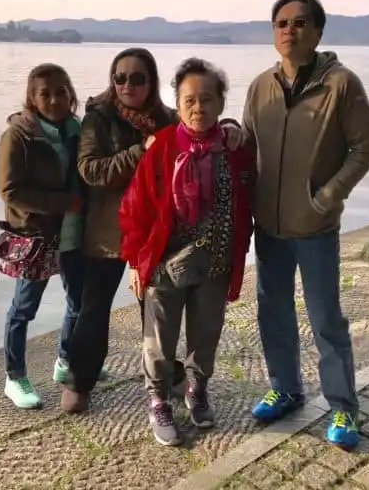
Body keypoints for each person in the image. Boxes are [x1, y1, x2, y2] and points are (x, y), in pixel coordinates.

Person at [60, 48, 243, 412]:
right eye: (120, 77)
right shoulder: (99, 118)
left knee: (160, 315)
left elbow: (198, 123)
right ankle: (80, 381)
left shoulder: (165, 117)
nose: (127, 85)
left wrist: (231, 127)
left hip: (155, 238)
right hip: (108, 235)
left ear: (152, 82)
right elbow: (91, 170)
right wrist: (139, 151)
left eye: (138, 78)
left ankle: (169, 377)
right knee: (94, 310)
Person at [243, 0, 369, 449]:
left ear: (318, 32)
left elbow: (365, 147)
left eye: (300, 22)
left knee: (325, 319)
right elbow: (247, 148)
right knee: (273, 311)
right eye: (281, 23)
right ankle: (285, 388)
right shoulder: (260, 86)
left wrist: (328, 197)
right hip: (269, 226)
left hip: (316, 226)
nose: (289, 30)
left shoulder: (341, 84)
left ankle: (343, 406)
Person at [118, 58, 255, 446]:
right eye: (190, 100)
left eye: (207, 99)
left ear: (221, 103)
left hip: (216, 260)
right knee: (159, 340)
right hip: (165, 261)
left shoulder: (233, 149)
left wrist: (237, 133)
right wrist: (136, 261)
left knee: (206, 333)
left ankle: (197, 388)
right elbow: (135, 206)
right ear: (177, 104)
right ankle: (158, 399)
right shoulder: (162, 147)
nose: (199, 108)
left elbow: (250, 190)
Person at [0, 63, 85, 409]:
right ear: (32, 98)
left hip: (73, 232)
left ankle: (65, 361)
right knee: (23, 308)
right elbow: (11, 191)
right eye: (45, 94)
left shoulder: (77, 130)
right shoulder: (18, 135)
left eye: (61, 91)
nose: (54, 100)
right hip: (37, 236)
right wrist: (63, 202)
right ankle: (14, 376)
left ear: (70, 94)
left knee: (78, 302)